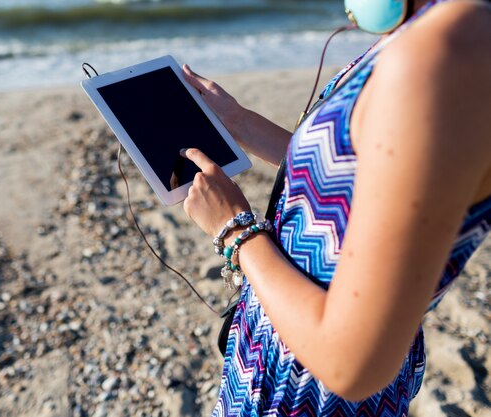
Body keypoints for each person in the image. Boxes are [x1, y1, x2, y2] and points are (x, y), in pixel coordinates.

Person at [179, 0, 491, 415]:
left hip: (312, 393)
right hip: (276, 356)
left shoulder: (447, 52)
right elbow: (367, 173)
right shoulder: (432, 34)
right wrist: (239, 123)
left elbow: (352, 363)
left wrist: (235, 232)